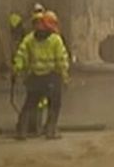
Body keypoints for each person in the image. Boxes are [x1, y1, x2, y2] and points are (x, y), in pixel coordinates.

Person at [14, 10, 71, 140]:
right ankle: (50, 131)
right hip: (51, 76)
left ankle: (22, 131)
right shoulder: (55, 40)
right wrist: (64, 77)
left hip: (35, 76)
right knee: (54, 104)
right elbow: (62, 60)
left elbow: (20, 55)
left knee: (30, 103)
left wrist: (17, 69)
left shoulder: (29, 39)